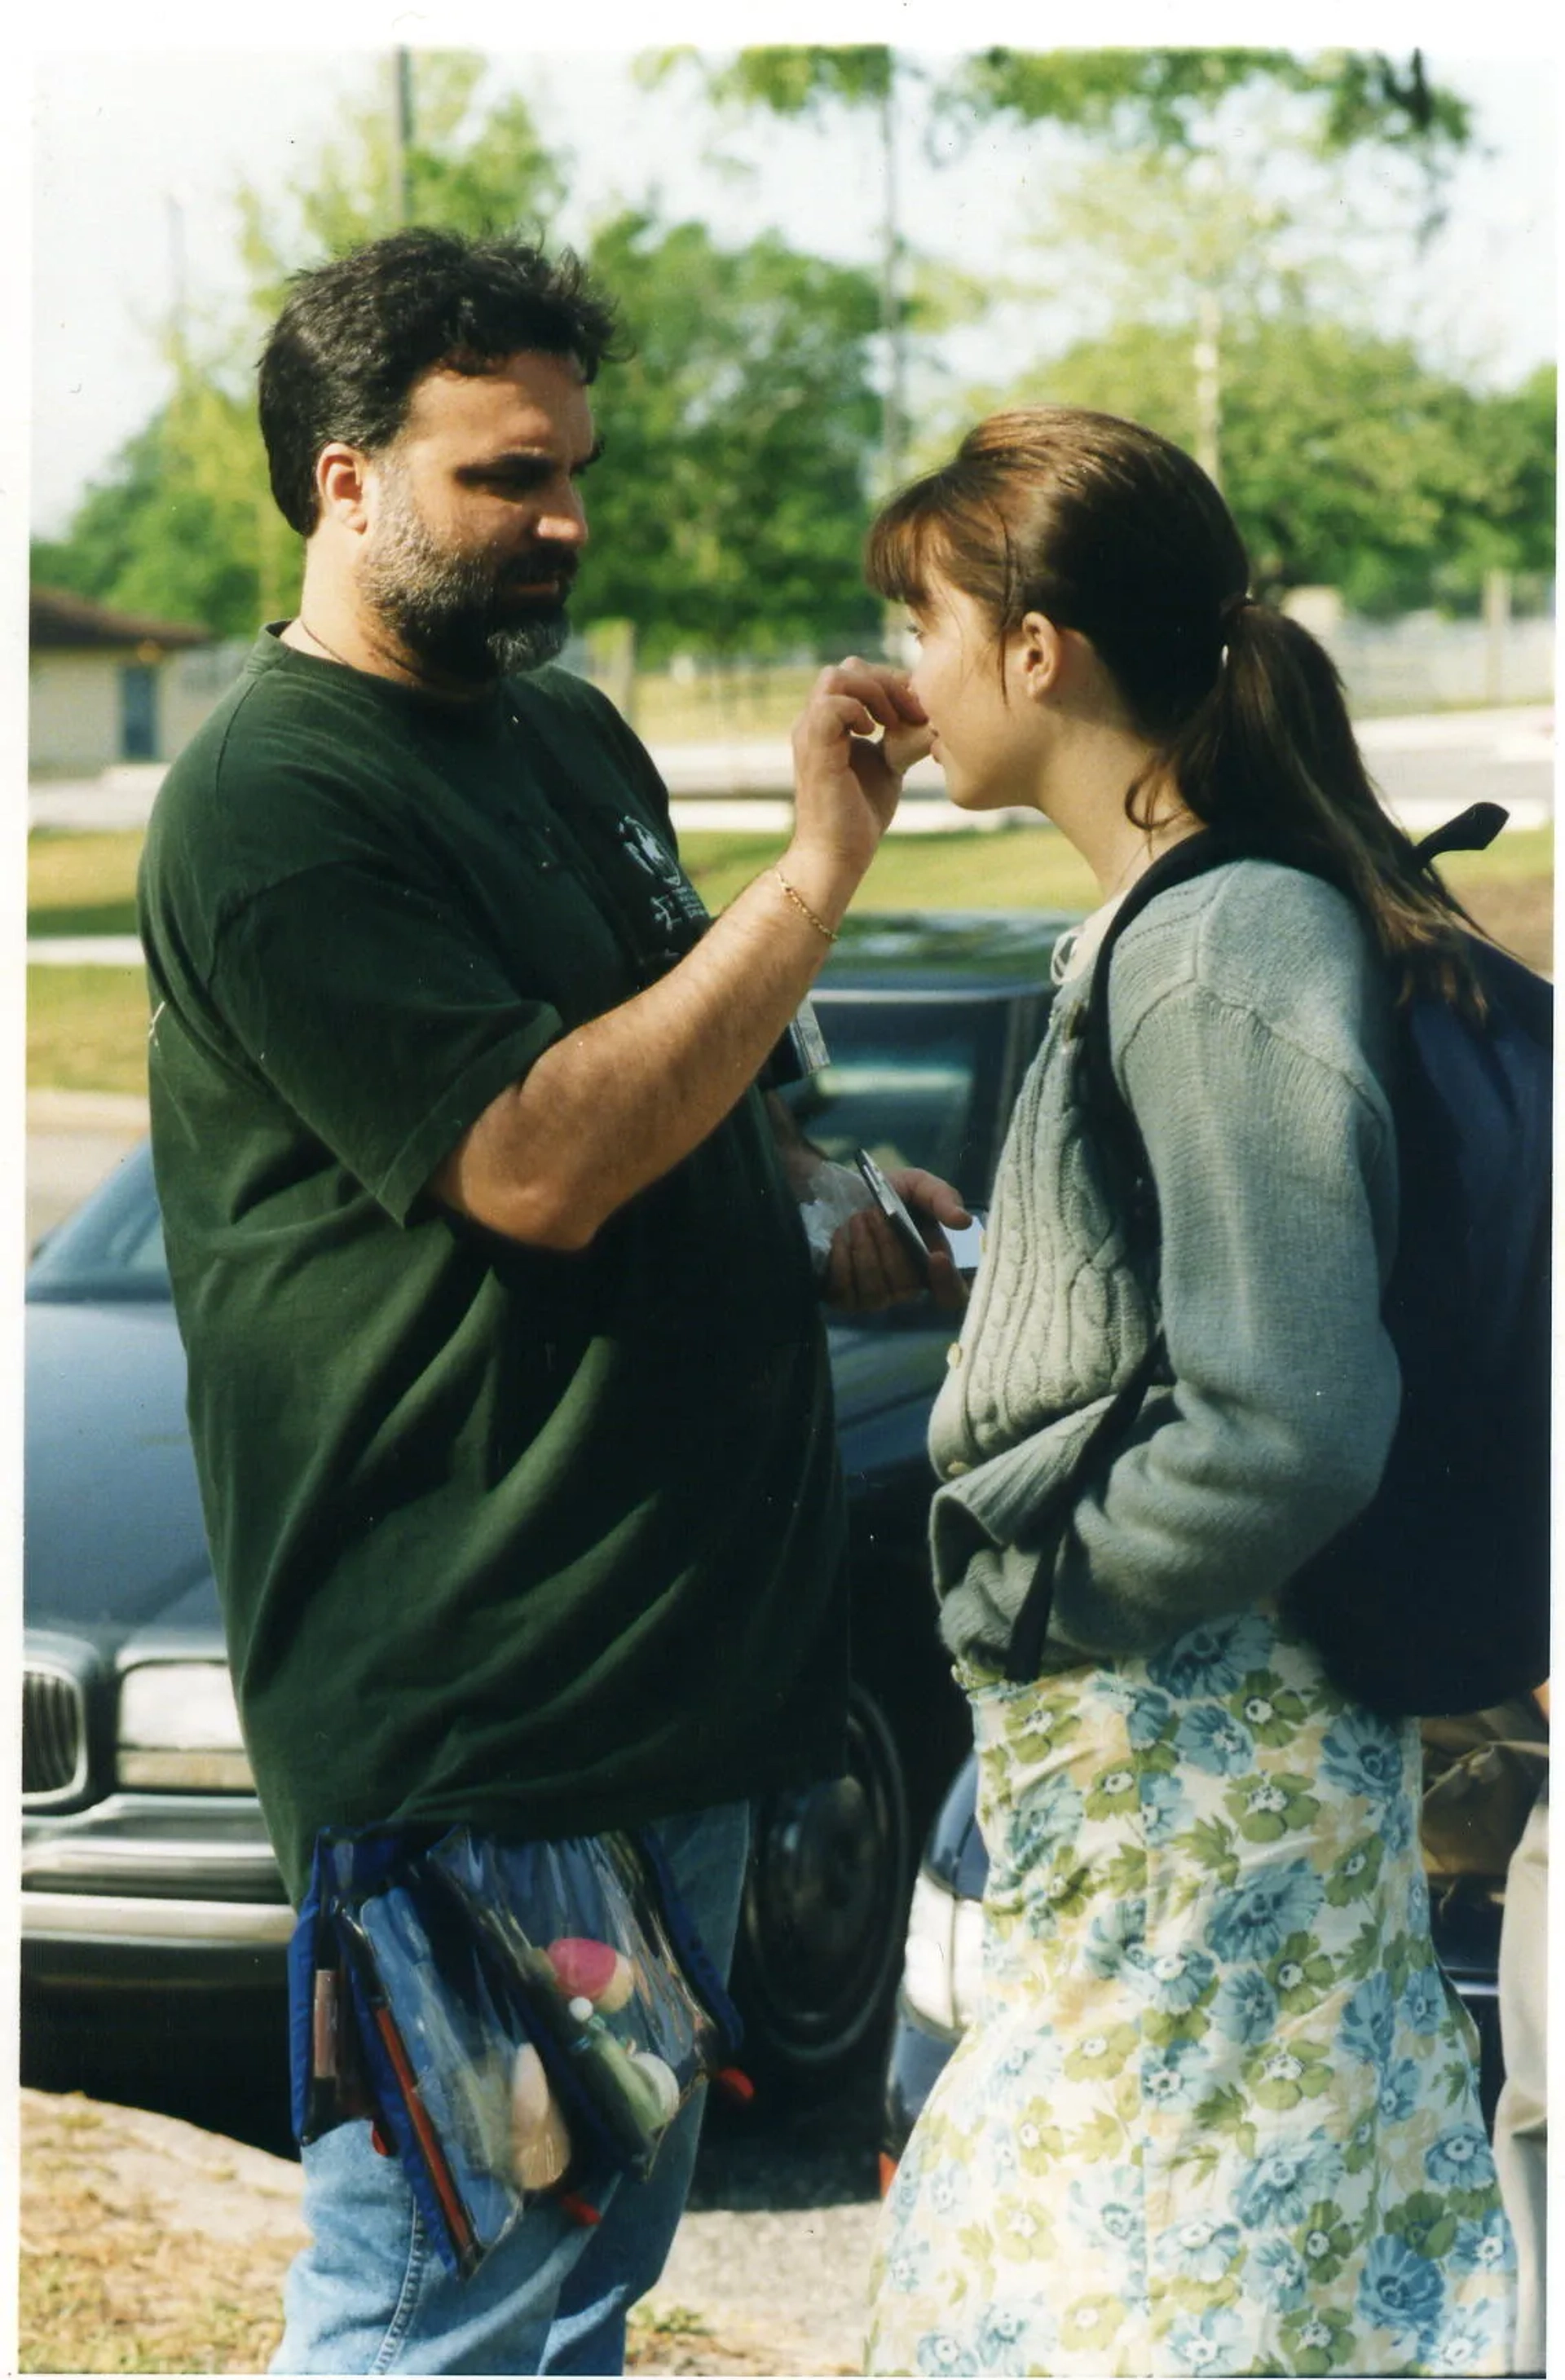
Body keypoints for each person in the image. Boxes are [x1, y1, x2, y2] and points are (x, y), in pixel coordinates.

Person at [136, 226, 963, 2378]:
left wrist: (839, 1187)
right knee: (443, 2315)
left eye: (576, 464)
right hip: (486, 1724)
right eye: (508, 475)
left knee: (567, 2287)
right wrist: (812, 876)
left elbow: (712, 1116)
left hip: (671, 1695)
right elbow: (537, 1159)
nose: (567, 517)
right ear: (343, 480)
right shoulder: (275, 800)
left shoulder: (566, 737)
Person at [860, 408, 1518, 2378]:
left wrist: (1042, 1589)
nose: (906, 672)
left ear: (1038, 649)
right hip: (1172, 1809)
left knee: (1124, 2302)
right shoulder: (1174, 921)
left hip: (1203, 1787)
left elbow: (1291, 1413)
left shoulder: (1223, 933)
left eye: (923, 621)